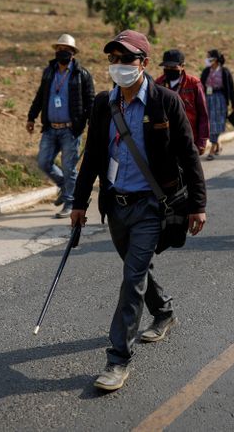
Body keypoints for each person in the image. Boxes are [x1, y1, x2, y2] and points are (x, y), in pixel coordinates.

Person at [70, 30, 207, 391]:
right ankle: (163, 311)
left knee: (131, 280)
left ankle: (118, 360)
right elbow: (93, 157)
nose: (118, 66)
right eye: (113, 59)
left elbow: (189, 154)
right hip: (116, 205)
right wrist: (79, 202)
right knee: (138, 269)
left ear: (144, 64)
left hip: (151, 205)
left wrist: (198, 204)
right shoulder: (103, 104)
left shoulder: (165, 102)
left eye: (126, 59)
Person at [26, 34, 95, 218]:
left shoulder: (82, 74)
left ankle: (70, 202)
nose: (61, 52)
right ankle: (64, 187)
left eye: (65, 50)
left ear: (72, 53)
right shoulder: (49, 72)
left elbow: (90, 102)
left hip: (71, 130)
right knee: (43, 162)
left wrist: (87, 124)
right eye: (58, 49)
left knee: (69, 167)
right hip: (50, 128)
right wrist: (31, 117)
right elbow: (41, 96)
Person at [155, 49, 210, 155]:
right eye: (167, 67)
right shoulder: (158, 84)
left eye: (173, 67)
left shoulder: (194, 84)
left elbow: (203, 113)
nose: (169, 69)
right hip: (166, 140)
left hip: (189, 139)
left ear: (182, 66)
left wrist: (202, 141)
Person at [200, 49, 234, 160]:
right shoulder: (206, 71)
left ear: (215, 59)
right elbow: (201, 86)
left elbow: (231, 89)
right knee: (209, 123)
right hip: (208, 100)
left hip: (220, 100)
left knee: (216, 124)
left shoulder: (225, 72)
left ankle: (212, 149)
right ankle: (217, 144)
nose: (207, 60)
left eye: (209, 57)